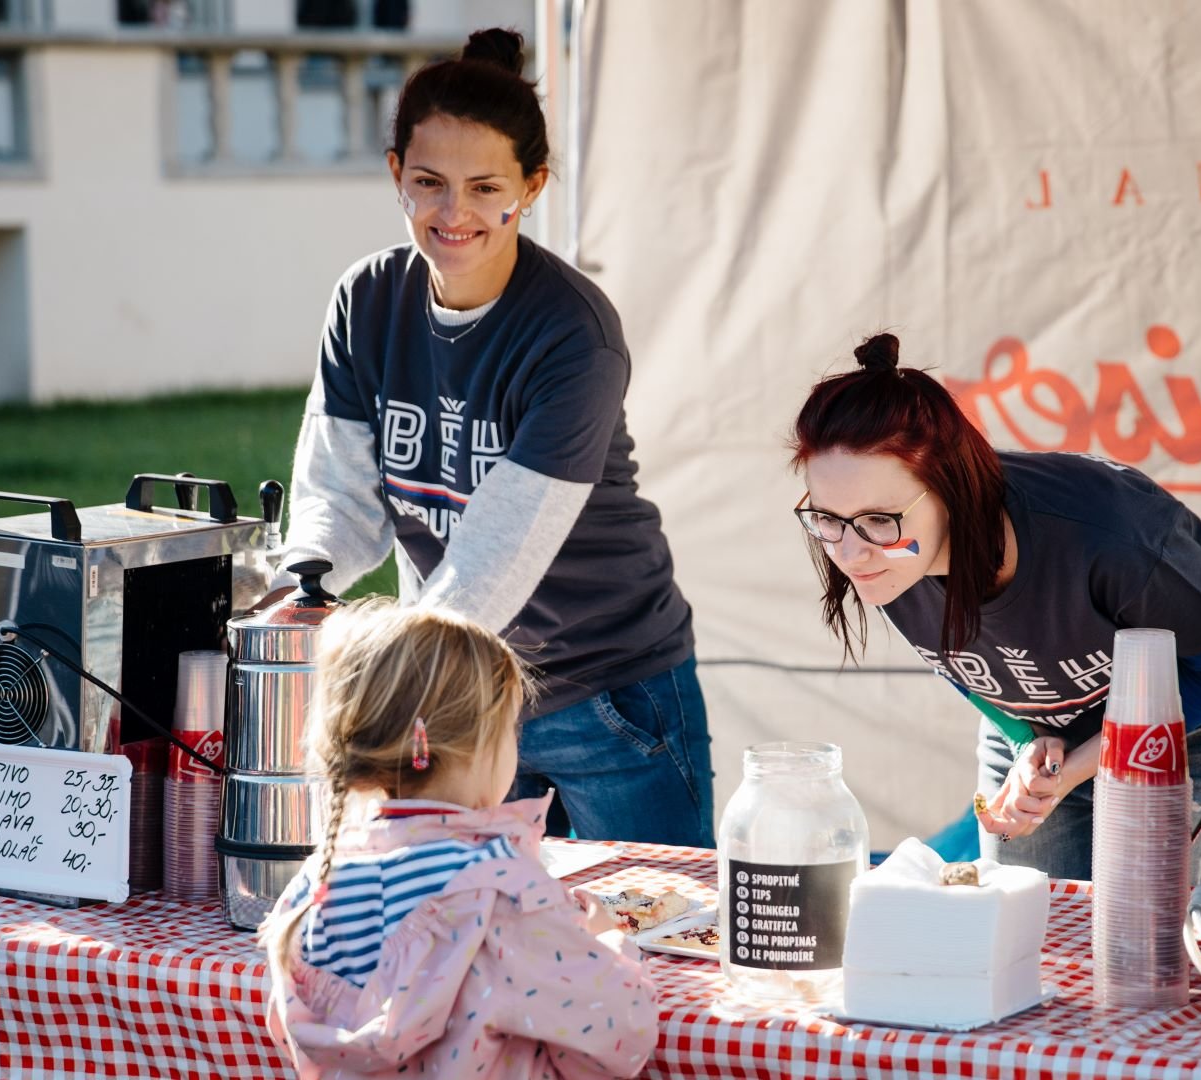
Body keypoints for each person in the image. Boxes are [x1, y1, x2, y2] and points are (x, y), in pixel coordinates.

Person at [271, 27, 711, 847]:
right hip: (455, 692)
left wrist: (388, 678)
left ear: (531, 186)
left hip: (605, 694)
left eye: (484, 187)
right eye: (429, 182)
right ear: (395, 172)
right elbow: (337, 496)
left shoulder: (572, 333)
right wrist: (306, 586)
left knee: (658, 935)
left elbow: (494, 557)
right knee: (461, 939)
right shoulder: (365, 300)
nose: (454, 213)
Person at [788, 333, 1201, 880]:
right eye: (826, 519)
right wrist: (1026, 738)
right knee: (1028, 926)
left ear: (952, 489)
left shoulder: (1110, 535)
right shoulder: (888, 555)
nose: (848, 552)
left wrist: (1075, 765)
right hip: (1040, 728)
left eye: (876, 521)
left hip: (1192, 726)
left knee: (1158, 928)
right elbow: (972, 671)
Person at [260, 600, 659, 1078]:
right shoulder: (501, 889)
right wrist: (607, 943)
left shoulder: (311, 886)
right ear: (478, 742)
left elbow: (293, 1033)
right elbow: (619, 1037)